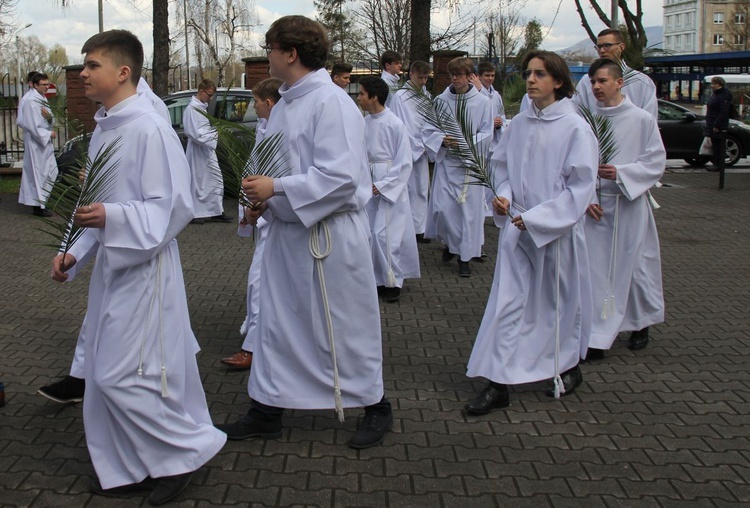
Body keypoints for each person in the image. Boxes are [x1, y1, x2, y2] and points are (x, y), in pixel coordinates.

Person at [49, 29, 226, 504]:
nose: (83, 73)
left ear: (123, 72)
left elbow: (175, 206)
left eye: (92, 65)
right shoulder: (108, 127)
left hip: (146, 268)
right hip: (115, 267)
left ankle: (188, 451)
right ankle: (135, 465)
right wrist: (74, 250)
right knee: (118, 374)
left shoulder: (149, 128)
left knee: (116, 375)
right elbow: (96, 203)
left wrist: (111, 217)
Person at [218, 15, 393, 450]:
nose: (266, 56)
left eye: (270, 48)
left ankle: (375, 404)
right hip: (287, 237)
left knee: (343, 325)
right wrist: (257, 201)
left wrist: (276, 188)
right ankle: (267, 408)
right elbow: (269, 164)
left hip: (328, 240)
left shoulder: (331, 103)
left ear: (290, 53)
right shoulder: (286, 103)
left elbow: (342, 179)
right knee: (277, 324)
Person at [464, 51, 598, 414]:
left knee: (557, 305)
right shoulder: (520, 124)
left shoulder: (575, 128)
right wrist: (503, 196)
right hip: (518, 232)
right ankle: (499, 383)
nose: (530, 79)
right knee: (507, 304)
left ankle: (566, 366)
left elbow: (581, 187)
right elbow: (502, 167)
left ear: (558, 81)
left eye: (539, 74)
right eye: (528, 73)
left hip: (555, 235)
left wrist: (539, 218)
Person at [583, 59, 666, 359]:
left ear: (619, 83)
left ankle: (641, 323)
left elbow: (655, 162)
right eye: (593, 81)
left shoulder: (641, 119)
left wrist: (623, 172)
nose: (596, 87)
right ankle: (597, 333)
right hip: (594, 207)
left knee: (635, 267)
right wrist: (585, 196)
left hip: (628, 203)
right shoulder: (586, 119)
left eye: (602, 81)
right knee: (597, 270)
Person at [221, 77, 283, 370]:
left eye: (256, 101)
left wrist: (266, 201)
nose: (253, 106)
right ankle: (259, 343)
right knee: (260, 284)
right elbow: (253, 170)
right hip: (264, 216)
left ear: (269, 103)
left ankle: (254, 348)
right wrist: (248, 205)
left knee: (260, 284)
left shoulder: (282, 132)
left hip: (281, 220)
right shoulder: (263, 129)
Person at [423, 57, 493, 278]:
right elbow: (428, 129)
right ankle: (451, 245)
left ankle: (464, 257)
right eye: (452, 75)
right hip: (448, 164)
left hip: (469, 167)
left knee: (468, 215)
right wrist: (442, 140)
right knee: (443, 210)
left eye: (460, 75)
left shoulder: (483, 103)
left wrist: (466, 142)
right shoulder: (441, 102)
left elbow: (487, 132)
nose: (456, 79)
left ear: (469, 75)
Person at [358, 76, 420, 303]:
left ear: (374, 97)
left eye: (362, 93)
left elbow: (404, 162)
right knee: (370, 234)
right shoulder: (364, 123)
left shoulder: (395, 123)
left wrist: (383, 185)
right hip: (369, 184)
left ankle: (393, 280)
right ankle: (376, 279)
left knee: (386, 235)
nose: (359, 97)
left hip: (388, 184)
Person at [390, 60, 432, 244]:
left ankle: (420, 228)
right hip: (408, 147)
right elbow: (399, 123)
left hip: (423, 146)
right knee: (407, 188)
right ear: (411, 74)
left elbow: (431, 121)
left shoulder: (426, 95)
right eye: (420, 77)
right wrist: (414, 145)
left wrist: (428, 142)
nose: (423, 81)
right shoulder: (400, 97)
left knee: (422, 189)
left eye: (426, 78)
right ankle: (407, 227)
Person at [574, 28, 658, 119]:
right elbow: (577, 113)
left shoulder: (641, 81)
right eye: (599, 46)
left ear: (621, 47)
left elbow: (650, 119)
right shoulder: (587, 80)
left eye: (607, 45)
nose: (602, 50)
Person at [184, 78, 233, 224]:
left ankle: (216, 210)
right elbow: (193, 133)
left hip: (207, 150)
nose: (211, 99)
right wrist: (214, 134)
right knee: (198, 182)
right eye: (209, 95)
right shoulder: (191, 110)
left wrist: (212, 134)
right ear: (201, 91)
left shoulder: (201, 108)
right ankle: (196, 213)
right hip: (198, 152)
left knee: (215, 179)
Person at [17, 72, 58, 217]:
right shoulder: (30, 101)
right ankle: (39, 206)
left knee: (51, 172)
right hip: (36, 142)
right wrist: (46, 134)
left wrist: (49, 119)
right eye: (44, 85)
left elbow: (49, 117)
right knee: (39, 173)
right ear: (34, 85)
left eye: (48, 84)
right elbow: (28, 123)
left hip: (44, 141)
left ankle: (42, 201)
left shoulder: (41, 98)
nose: (47, 87)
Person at [471, 62, 507, 146]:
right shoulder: (473, 93)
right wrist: (490, 123)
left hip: (495, 143)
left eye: (492, 75)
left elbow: (502, 116)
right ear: (479, 76)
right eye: (487, 75)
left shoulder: (496, 95)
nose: (490, 78)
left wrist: (499, 124)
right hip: (480, 143)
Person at [704, 76, 733, 170]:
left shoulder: (724, 95)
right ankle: (716, 163)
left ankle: (719, 165)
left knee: (719, 145)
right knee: (715, 145)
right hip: (712, 122)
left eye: (715, 84)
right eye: (712, 84)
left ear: (720, 84)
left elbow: (723, 112)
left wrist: (717, 125)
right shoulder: (715, 94)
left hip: (718, 125)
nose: (712, 86)